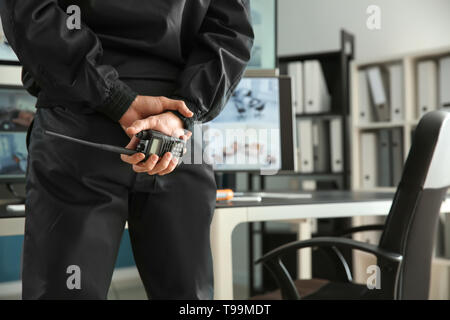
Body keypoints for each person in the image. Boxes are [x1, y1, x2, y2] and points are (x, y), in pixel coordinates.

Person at [0, 0, 253, 299]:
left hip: (79, 130)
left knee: (66, 291)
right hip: (174, 132)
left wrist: (116, 99)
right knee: (186, 297)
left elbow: (30, 13)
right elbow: (230, 30)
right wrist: (182, 111)